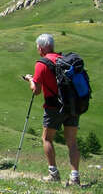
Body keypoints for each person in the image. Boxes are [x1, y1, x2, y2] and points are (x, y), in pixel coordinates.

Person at [23, 34, 81, 186]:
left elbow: (36, 91)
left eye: (37, 47)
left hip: (53, 107)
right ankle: (74, 177)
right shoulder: (64, 60)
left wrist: (30, 80)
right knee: (72, 142)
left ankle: (53, 173)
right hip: (72, 105)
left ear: (41, 47)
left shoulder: (41, 64)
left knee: (47, 138)